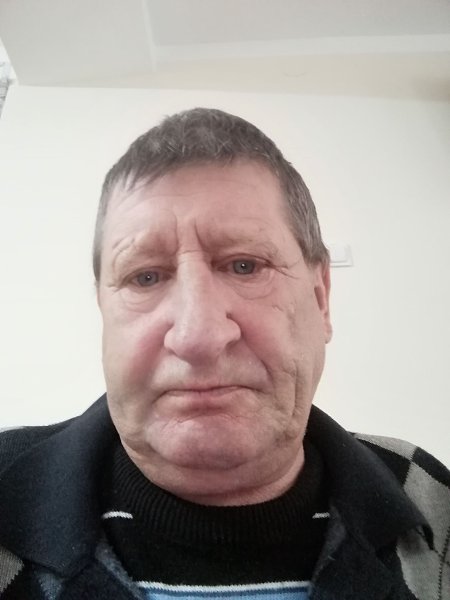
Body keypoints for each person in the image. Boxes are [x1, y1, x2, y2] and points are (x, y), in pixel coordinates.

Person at [0, 108, 448, 600]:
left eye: (244, 266)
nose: (197, 336)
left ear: (321, 298)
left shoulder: (431, 498)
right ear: (103, 311)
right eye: (145, 277)